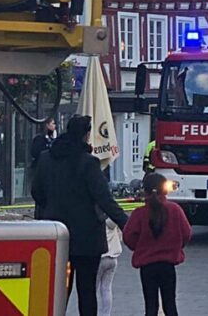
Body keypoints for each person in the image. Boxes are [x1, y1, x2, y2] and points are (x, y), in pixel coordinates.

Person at [32, 115, 128, 316]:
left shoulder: (45, 158)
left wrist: (52, 208)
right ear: (86, 135)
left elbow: (36, 192)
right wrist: (126, 224)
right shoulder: (88, 163)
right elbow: (104, 198)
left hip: (55, 234)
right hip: (86, 238)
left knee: (58, 291)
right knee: (86, 291)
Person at [123, 172, 193, 316]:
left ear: (145, 191)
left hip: (147, 266)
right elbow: (186, 233)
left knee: (150, 307)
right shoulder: (175, 210)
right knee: (170, 306)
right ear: (165, 189)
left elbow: (128, 236)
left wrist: (140, 246)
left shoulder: (139, 213)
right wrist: (176, 246)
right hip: (168, 265)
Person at [97, 219, 121, 316]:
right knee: (106, 288)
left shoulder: (96, 222)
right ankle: (106, 314)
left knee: (92, 289)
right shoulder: (113, 222)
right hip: (112, 257)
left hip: (99, 258)